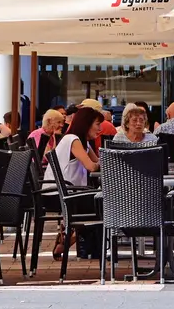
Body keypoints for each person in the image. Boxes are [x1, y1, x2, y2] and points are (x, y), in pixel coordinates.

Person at [46, 106, 103, 260]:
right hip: (60, 195)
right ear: (87, 123)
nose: (100, 129)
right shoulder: (73, 140)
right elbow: (92, 166)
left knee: (100, 203)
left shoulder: (82, 142)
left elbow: (97, 161)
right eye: (98, 124)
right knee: (103, 205)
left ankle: (71, 239)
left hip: (67, 192)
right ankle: (78, 243)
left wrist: (101, 162)